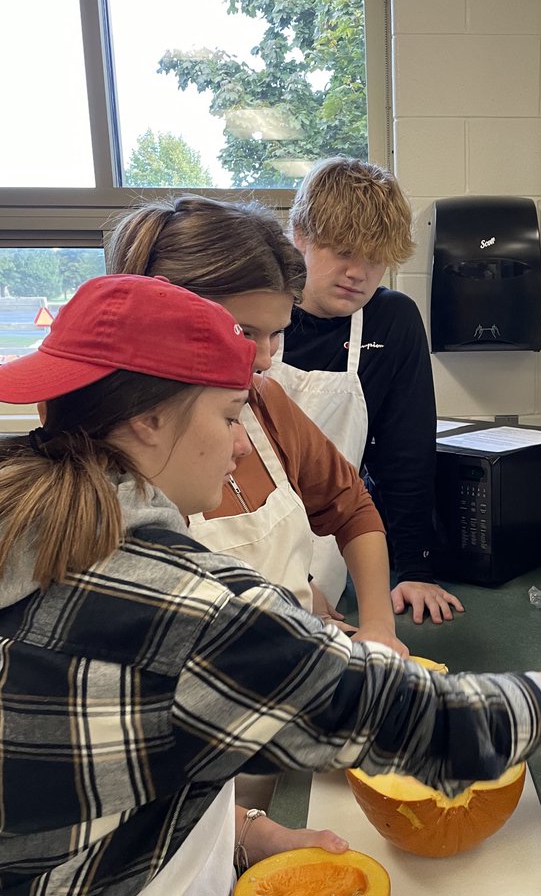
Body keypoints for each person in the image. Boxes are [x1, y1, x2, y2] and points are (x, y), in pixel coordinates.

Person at [0, 274, 541, 896]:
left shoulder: (32, 527)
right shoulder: (186, 604)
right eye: (231, 416)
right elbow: (434, 727)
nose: (242, 445)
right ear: (147, 420)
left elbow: (91, 763)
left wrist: (245, 835)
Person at [106, 195, 406, 657]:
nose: (265, 360)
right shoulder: (114, 450)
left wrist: (376, 627)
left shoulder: (267, 403)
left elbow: (350, 506)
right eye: (244, 332)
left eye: (277, 333)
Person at [277, 156, 462, 626]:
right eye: (342, 251)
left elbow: (405, 454)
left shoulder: (391, 320)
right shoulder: (259, 314)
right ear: (301, 235)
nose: (358, 273)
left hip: (331, 546)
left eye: (374, 258)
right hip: (242, 542)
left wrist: (415, 567)